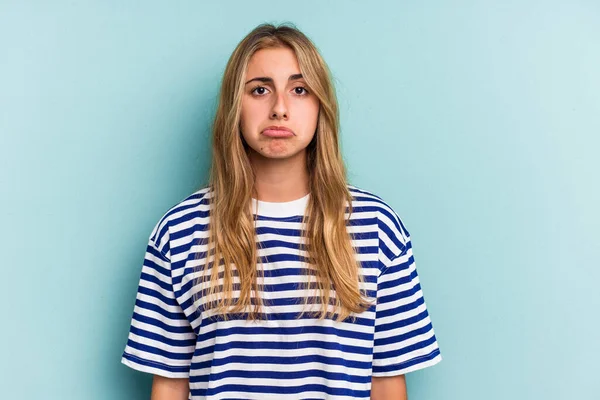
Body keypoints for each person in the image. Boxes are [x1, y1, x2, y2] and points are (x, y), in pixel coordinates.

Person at [121, 22, 441, 400]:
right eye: (260, 90)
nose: (279, 109)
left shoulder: (376, 228)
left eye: (299, 89)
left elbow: (387, 382)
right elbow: (171, 383)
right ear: (234, 107)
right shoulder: (180, 231)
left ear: (321, 106)